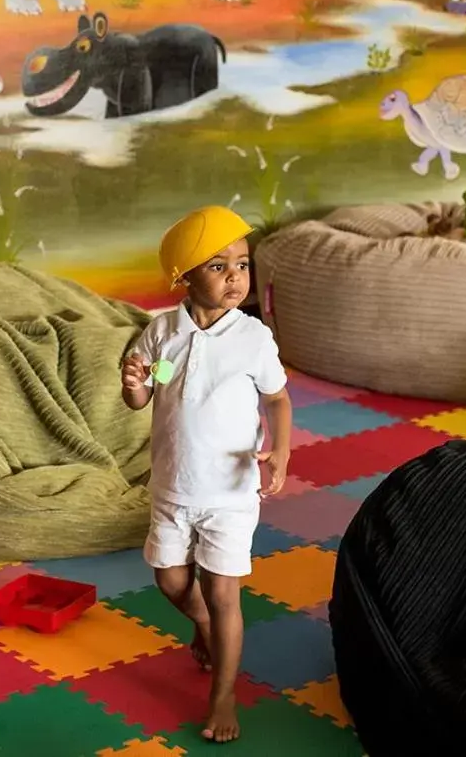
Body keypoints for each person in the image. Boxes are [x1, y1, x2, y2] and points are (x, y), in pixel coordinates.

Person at [120, 205, 293, 744]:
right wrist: (132, 384)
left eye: (242, 264)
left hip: (230, 493)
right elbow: (142, 396)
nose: (236, 277)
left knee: (225, 596)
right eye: (218, 267)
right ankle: (202, 625)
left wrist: (282, 453)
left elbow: (280, 400)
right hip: (173, 487)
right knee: (170, 580)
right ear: (184, 277)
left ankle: (222, 694)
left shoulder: (253, 340)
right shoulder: (160, 331)